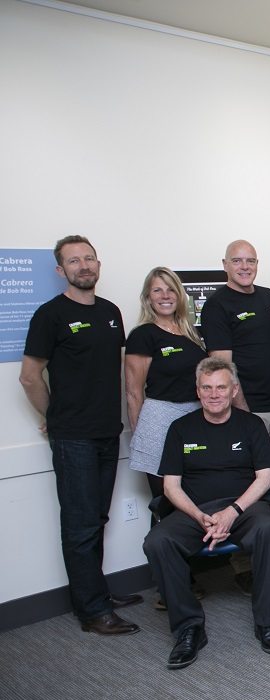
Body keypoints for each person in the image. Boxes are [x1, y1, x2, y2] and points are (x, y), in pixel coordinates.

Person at [20, 235, 141, 636]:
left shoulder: (110, 312)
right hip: (73, 438)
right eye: (74, 261)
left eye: (89, 258)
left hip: (107, 432)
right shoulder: (50, 315)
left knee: (97, 518)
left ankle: (96, 593)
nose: (83, 265)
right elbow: (29, 377)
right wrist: (54, 416)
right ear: (61, 270)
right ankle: (91, 611)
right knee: (80, 524)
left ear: (98, 265)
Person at [143, 358, 270, 669]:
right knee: (157, 541)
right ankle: (189, 629)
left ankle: (267, 622)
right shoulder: (180, 429)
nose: (214, 394)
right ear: (198, 391)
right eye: (206, 388)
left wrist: (232, 511)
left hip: (244, 507)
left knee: (268, 529)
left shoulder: (251, 425)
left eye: (221, 387)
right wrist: (199, 516)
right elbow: (170, 487)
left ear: (234, 390)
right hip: (196, 512)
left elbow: (264, 479)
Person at [197, 239, 270, 595]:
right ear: (225, 265)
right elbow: (223, 369)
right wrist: (244, 414)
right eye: (237, 261)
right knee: (248, 487)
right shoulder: (217, 306)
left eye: (250, 260)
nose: (245, 267)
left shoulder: (268, 297)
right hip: (251, 412)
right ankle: (245, 566)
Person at [125, 267, 207, 499]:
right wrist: (140, 436)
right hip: (159, 422)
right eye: (157, 290)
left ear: (179, 295)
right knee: (166, 501)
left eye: (170, 289)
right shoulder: (142, 335)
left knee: (197, 496)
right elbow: (133, 392)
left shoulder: (190, 333)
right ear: (148, 297)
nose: (165, 295)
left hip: (194, 418)